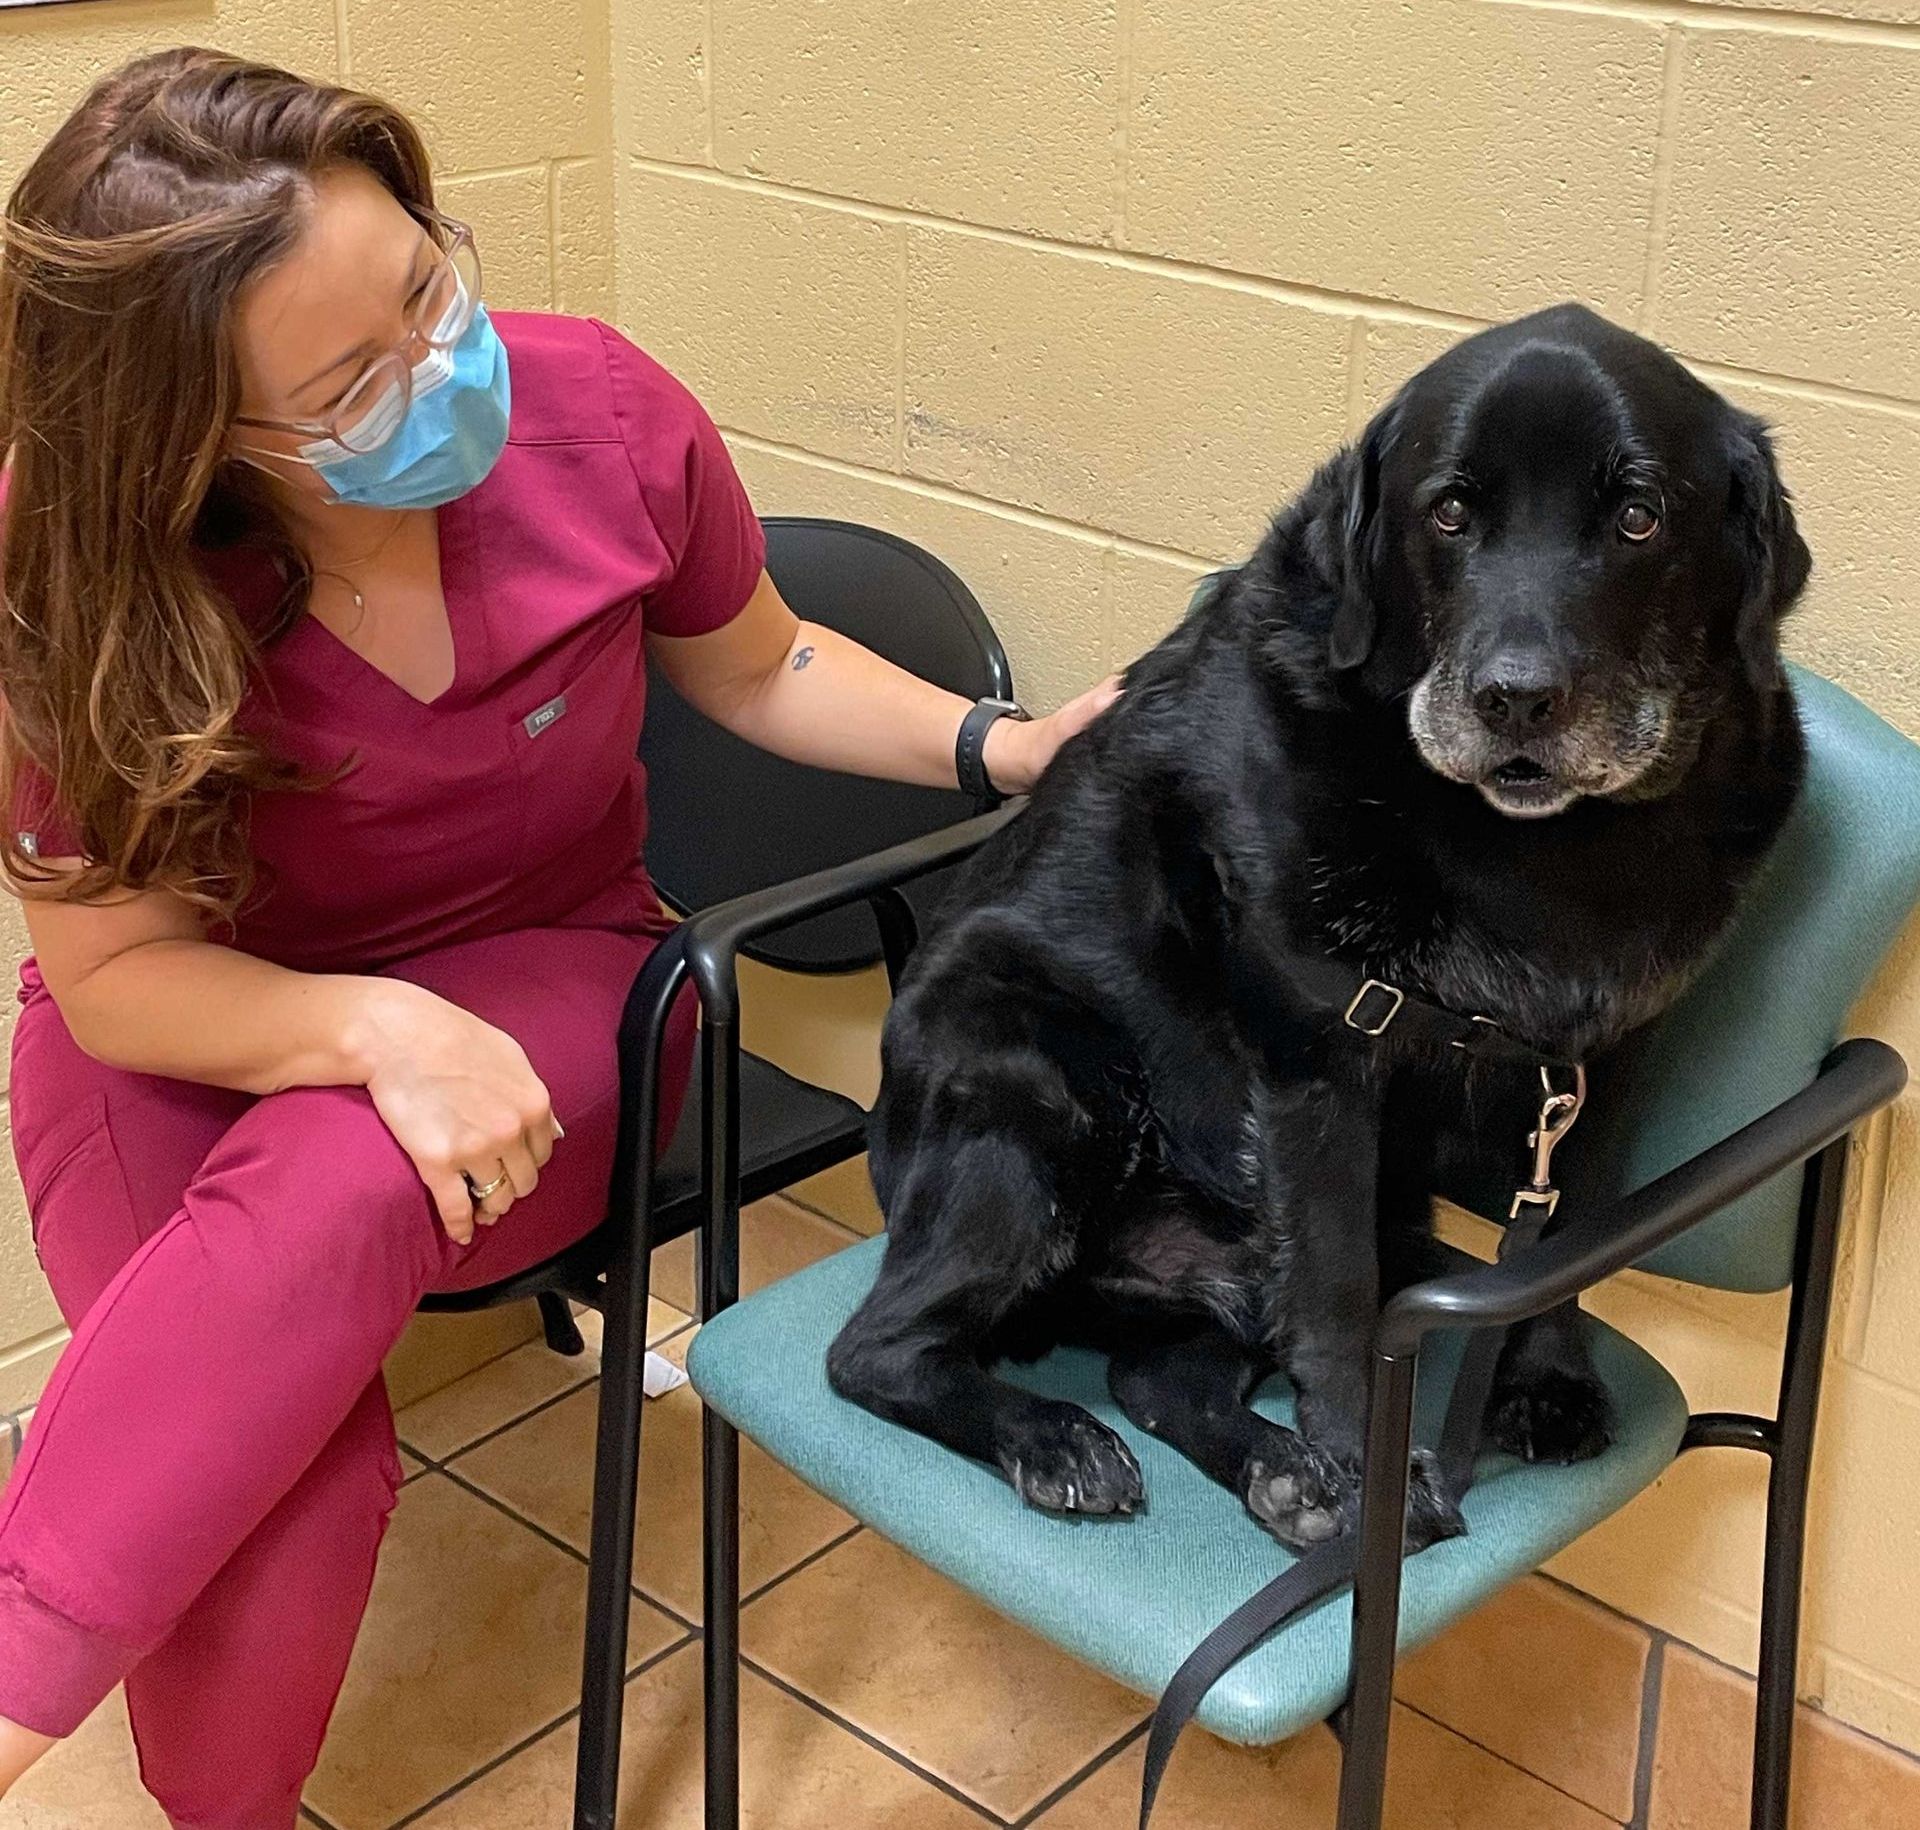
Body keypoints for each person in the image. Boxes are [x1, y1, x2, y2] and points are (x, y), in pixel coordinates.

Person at [0, 47, 1115, 1826]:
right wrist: (372, 1031)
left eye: (431, 284)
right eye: (355, 379)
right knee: (267, 1482)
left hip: (560, 973)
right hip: (184, 1031)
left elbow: (764, 663)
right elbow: (117, 974)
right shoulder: (79, 571)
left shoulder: (600, 415)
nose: (440, 368)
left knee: (336, 1193)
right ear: (192, 443)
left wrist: (1006, 746)